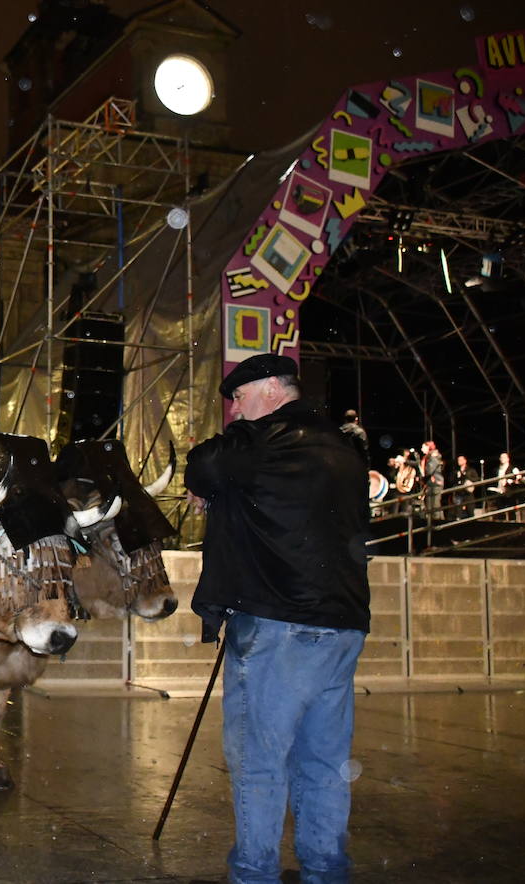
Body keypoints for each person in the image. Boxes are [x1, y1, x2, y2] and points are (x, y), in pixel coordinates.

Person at [184, 353, 370, 884]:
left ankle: (255, 873)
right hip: (342, 623)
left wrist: (212, 486)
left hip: (277, 624)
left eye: (239, 399)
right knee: (323, 761)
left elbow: (201, 465)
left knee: (259, 759)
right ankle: (325, 870)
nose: (235, 412)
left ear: (269, 389)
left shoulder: (262, 439)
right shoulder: (345, 449)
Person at [419, 440, 444, 517]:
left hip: (435, 482)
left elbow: (429, 470)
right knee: (429, 506)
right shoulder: (427, 458)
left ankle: (437, 523)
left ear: (428, 447)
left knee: (435, 505)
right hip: (430, 483)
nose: (421, 449)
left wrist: (422, 474)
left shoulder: (433, 457)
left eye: (423, 447)